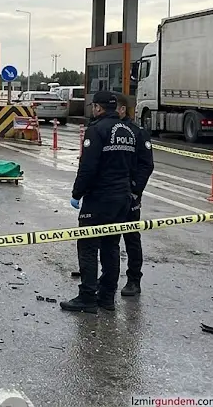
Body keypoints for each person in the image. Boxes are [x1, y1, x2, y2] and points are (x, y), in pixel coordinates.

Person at [61, 91, 138, 313]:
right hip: (121, 197)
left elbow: (88, 167)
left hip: (100, 198)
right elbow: (134, 166)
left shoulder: (96, 130)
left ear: (98, 108)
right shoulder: (128, 131)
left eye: (94, 106)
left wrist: (77, 193)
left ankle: (87, 296)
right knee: (111, 246)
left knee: (87, 245)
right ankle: (106, 298)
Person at [115, 94, 154, 297]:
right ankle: (107, 277)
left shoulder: (137, 133)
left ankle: (133, 280)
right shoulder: (108, 130)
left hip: (130, 194)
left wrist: (135, 190)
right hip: (110, 193)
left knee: (131, 237)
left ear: (122, 110)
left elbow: (146, 165)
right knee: (107, 238)